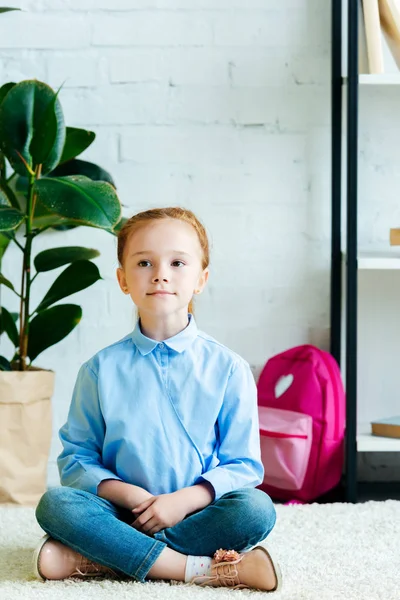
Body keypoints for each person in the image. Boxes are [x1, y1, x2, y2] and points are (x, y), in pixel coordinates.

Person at [33, 206, 282, 592]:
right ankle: (192, 568)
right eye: (145, 262)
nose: (161, 273)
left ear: (201, 278)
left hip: (197, 513)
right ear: (123, 279)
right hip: (119, 515)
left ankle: (101, 559)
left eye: (178, 262)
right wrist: (128, 496)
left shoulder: (229, 369)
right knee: (56, 504)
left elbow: (244, 465)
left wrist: (182, 502)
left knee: (255, 509)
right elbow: (76, 459)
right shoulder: (99, 370)